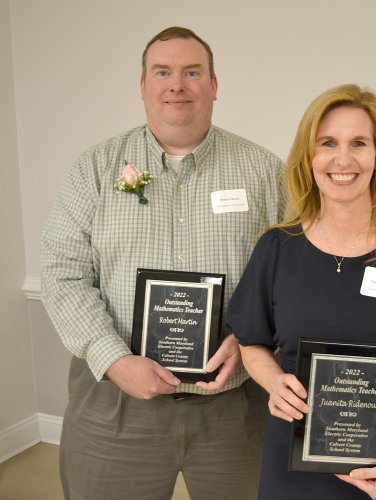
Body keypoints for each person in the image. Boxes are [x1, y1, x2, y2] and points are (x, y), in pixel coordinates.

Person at [41, 26, 285, 500]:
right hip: (116, 405)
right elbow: (62, 273)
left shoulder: (265, 171)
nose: (178, 84)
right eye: (163, 72)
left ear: (214, 85)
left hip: (235, 407)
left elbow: (293, 275)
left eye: (192, 72)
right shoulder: (95, 168)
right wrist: (113, 359)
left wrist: (255, 338)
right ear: (143, 85)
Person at [225, 84, 376, 500]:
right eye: (328, 143)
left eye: (358, 143)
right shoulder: (277, 247)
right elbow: (252, 341)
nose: (343, 159)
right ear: (309, 156)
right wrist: (274, 381)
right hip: (293, 472)